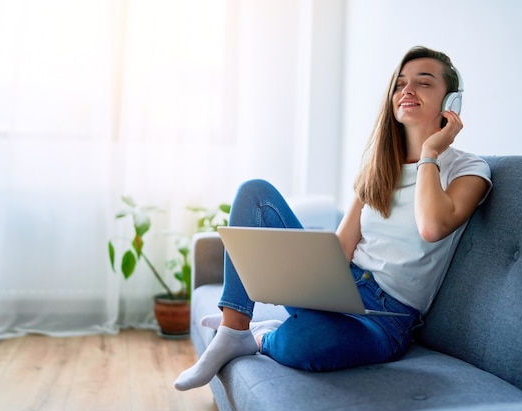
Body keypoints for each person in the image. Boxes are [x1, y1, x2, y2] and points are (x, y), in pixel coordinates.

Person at [174, 45, 492, 391]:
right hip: (341, 286)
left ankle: (263, 339)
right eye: (400, 84)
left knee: (307, 342)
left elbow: (432, 227)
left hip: (387, 319)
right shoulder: (378, 167)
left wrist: (430, 152)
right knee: (254, 193)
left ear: (451, 104)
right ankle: (233, 331)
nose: (407, 91)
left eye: (424, 83)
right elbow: (342, 248)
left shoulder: (469, 169)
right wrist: (302, 279)